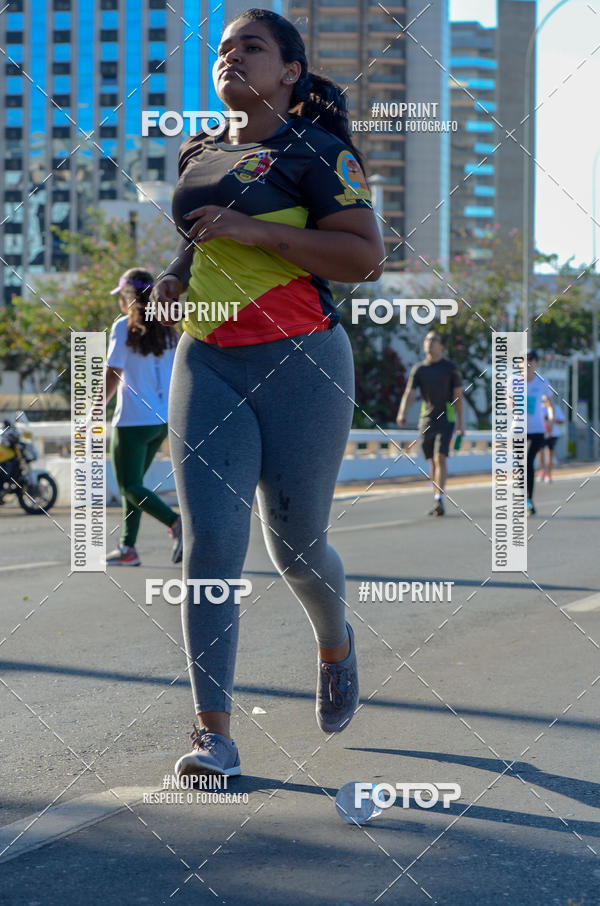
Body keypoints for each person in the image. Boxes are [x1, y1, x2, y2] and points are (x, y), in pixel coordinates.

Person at [149, 9, 384, 779]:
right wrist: (173, 280)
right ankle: (212, 735)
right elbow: (200, 238)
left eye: (250, 46)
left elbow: (364, 257)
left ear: (289, 70)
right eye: (223, 48)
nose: (231, 56)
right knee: (211, 545)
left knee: (298, 548)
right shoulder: (197, 150)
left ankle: (335, 643)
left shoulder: (320, 151)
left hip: (303, 361)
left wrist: (259, 235)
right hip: (208, 360)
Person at [105, 268, 182, 566]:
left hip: (132, 421)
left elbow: (113, 372)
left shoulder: (124, 327)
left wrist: (94, 409)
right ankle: (128, 548)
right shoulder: (168, 329)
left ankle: (176, 522)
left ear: (127, 299)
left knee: (128, 486)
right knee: (135, 485)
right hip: (162, 421)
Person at [396, 330, 464, 516]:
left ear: (441, 346)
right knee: (432, 460)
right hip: (426, 420)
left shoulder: (450, 368)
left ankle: (439, 498)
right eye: (427, 339)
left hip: (446, 419)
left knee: (440, 457)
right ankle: (436, 497)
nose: (429, 343)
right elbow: (409, 393)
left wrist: (461, 424)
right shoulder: (419, 369)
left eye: (434, 340)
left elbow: (458, 396)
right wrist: (402, 412)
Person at [525, 349, 554, 515]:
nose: (527, 363)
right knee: (520, 465)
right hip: (518, 429)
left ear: (536, 363)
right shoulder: (513, 381)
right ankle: (524, 497)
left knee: (528, 461)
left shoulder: (542, 382)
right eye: (524, 360)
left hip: (537, 429)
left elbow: (550, 404)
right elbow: (506, 403)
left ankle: (529, 500)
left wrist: (551, 420)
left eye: (531, 359)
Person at [539, 394, 564, 482]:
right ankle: (543, 470)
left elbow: (562, 421)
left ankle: (549, 474)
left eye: (549, 400)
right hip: (541, 434)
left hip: (553, 434)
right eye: (545, 400)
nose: (547, 402)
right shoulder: (540, 408)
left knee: (550, 454)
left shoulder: (556, 408)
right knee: (540, 453)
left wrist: (552, 420)